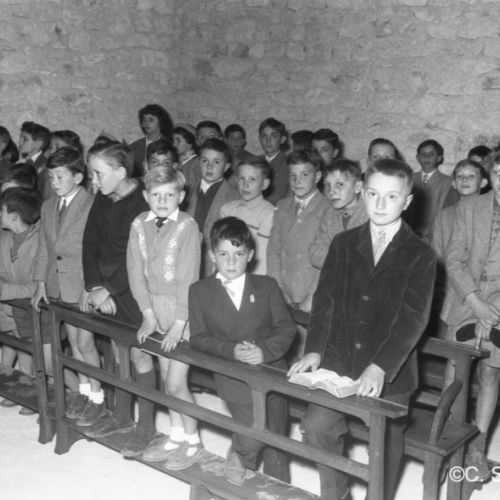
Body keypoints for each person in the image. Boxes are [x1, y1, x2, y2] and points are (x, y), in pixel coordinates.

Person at [289, 158, 437, 500]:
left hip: (390, 369)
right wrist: (314, 349)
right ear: (363, 193)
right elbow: (324, 302)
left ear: (407, 201)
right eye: (373, 194)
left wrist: (380, 366)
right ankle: (337, 493)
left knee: (385, 443)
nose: (380, 204)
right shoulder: (343, 243)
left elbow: (413, 319)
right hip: (340, 361)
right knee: (315, 427)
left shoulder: (421, 254)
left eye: (391, 196)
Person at [189, 217, 296, 484]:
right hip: (232, 372)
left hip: (271, 369)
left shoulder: (266, 286)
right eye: (223, 254)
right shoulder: (200, 291)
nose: (231, 261)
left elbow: (286, 328)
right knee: (253, 429)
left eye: (238, 254)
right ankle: (239, 453)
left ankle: (278, 485)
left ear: (249, 255)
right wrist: (231, 350)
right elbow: (199, 338)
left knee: (277, 434)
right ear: (212, 256)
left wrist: (264, 351)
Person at [80, 142, 156, 457]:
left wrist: (109, 289)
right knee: (117, 348)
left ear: (121, 172)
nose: (93, 181)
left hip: (133, 287)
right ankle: (121, 416)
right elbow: (89, 243)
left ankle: (146, 426)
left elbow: (141, 257)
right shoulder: (103, 196)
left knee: (139, 354)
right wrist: (93, 285)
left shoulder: (143, 202)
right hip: (105, 288)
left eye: (98, 174)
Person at [127, 165, 203, 466]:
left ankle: (194, 440)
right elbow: (135, 271)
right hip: (153, 307)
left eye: (169, 195)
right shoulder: (138, 224)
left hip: (182, 310)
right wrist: (147, 314)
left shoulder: (188, 226)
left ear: (180, 197)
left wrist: (179, 324)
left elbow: (189, 279)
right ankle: (176, 434)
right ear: (146, 196)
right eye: (156, 194)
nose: (162, 201)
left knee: (175, 382)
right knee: (163, 373)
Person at [31, 147, 103, 425]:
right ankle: (84, 392)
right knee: (73, 342)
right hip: (58, 286)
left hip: (82, 284)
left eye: (60, 176)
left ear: (78, 177)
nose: (54, 182)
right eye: (50, 177)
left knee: (85, 342)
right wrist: (40, 282)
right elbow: (44, 248)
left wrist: (91, 286)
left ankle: (97, 397)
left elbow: (96, 250)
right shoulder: (48, 206)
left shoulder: (92, 204)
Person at [442, 153, 500, 481]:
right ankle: (446, 441)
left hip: (499, 310)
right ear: (491, 176)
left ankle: (477, 447)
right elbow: (454, 259)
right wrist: (475, 302)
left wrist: (492, 312)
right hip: (466, 301)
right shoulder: (470, 207)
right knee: (455, 371)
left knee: (490, 374)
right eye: (499, 173)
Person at [267, 149, 329, 360]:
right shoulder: (282, 206)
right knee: (281, 350)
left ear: (317, 176)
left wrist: (312, 297)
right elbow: (273, 251)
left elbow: (326, 260)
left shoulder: (328, 209)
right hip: (284, 290)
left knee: (305, 355)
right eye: (292, 175)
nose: (297, 180)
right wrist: (278, 287)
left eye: (304, 174)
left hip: (310, 293)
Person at [0, 188, 41, 413]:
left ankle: (32, 393)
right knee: (15, 341)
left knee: (30, 347)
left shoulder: (39, 242)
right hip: (9, 307)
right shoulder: (5, 237)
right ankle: (20, 388)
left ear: (14, 216)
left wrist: (4, 291)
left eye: (2, 211)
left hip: (31, 308)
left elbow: (36, 286)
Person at [186, 138, 238, 277]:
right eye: (205, 161)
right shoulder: (185, 193)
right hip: (185, 260)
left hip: (215, 264)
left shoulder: (235, 197)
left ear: (226, 166)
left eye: (216, 162)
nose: (209, 166)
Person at [220, 157, 274, 275]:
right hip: (226, 272)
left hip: (251, 277)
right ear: (236, 180)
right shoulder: (227, 209)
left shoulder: (268, 214)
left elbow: (261, 260)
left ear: (265, 184)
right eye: (241, 179)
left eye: (252, 179)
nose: (246, 185)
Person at [310, 158, 368, 269]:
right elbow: (315, 252)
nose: (331, 191)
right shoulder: (328, 215)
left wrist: (335, 257)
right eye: (328, 185)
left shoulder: (369, 214)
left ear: (358, 187)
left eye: (339, 184)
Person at [409, 139, 454, 242]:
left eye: (432, 154)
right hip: (409, 233)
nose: (427, 157)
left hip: (432, 235)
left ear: (439, 158)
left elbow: (442, 213)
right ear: (417, 158)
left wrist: (429, 235)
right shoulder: (409, 179)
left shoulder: (446, 182)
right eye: (423, 154)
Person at [128, 104, 174, 178]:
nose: (146, 123)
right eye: (144, 120)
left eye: (151, 120)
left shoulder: (171, 144)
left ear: (160, 122)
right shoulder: (134, 147)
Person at [258, 117, 290, 205]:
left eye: (273, 136)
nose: (268, 141)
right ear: (259, 138)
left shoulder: (289, 164)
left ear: (282, 139)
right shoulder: (253, 162)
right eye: (264, 136)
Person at [18, 121, 51, 200]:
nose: (19, 142)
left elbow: (45, 195)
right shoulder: (22, 162)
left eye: (25, 139)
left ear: (39, 143)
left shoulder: (45, 165)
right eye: (20, 138)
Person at [174, 124, 200, 202]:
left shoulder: (196, 163)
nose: (174, 144)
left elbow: (194, 191)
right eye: (173, 141)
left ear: (190, 143)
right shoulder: (177, 163)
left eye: (178, 141)